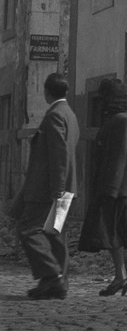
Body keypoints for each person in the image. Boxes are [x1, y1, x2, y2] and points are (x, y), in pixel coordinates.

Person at [78, 78, 127, 297]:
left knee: (111, 231)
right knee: (110, 232)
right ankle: (121, 274)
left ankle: (121, 274)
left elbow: (119, 157)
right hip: (115, 187)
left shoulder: (121, 121)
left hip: (118, 189)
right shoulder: (116, 120)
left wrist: (109, 189)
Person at [14, 72, 80, 300]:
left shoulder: (54, 116)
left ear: (47, 92)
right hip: (63, 187)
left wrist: (56, 189)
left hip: (48, 189)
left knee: (29, 229)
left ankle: (52, 275)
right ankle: (57, 282)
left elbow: (59, 154)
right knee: (55, 234)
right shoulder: (70, 114)